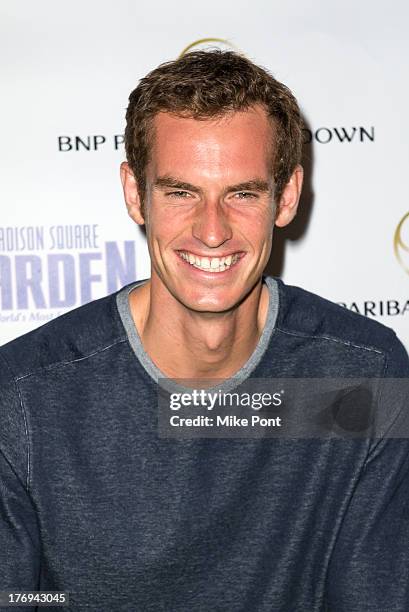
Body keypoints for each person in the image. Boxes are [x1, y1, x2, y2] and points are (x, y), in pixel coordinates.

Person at [0, 50, 408, 612]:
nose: (211, 231)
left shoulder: (365, 375)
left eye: (242, 193)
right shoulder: (24, 394)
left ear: (285, 197)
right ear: (134, 193)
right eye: (180, 192)